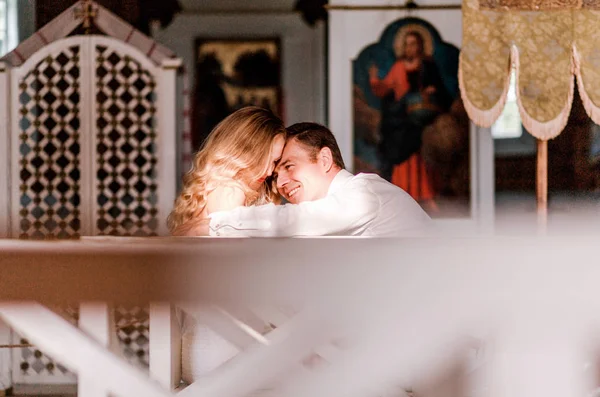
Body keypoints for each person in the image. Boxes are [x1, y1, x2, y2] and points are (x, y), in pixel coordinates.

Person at [203, 122, 431, 237]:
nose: (281, 182)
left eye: (289, 166)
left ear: (324, 160)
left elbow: (297, 219)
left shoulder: (364, 192)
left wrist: (216, 224)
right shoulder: (330, 220)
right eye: (275, 175)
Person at [168, 106, 286, 236]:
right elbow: (231, 253)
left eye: (274, 161)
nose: (269, 171)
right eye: (262, 159)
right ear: (242, 151)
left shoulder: (217, 184)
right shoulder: (231, 191)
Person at [369, 30, 452, 212]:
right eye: (407, 44)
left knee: (420, 147)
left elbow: (441, 90)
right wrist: (375, 79)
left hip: (422, 114)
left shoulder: (427, 65)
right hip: (401, 113)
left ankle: (425, 194)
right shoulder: (399, 66)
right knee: (396, 140)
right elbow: (386, 88)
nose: (410, 47)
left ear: (420, 45)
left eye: (414, 43)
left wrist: (432, 91)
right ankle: (402, 194)